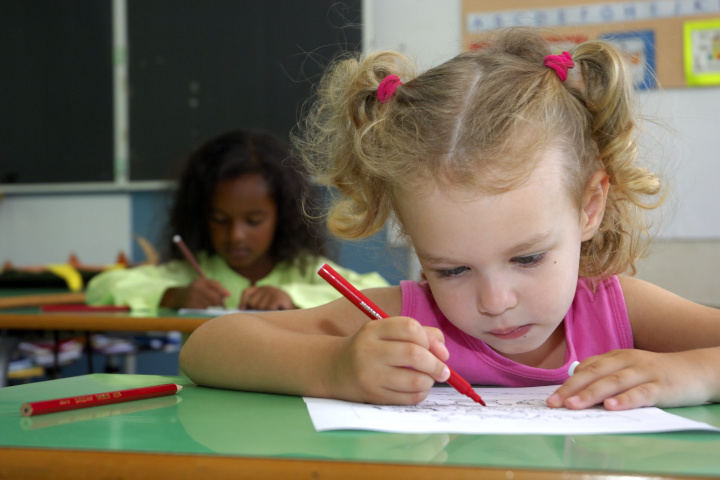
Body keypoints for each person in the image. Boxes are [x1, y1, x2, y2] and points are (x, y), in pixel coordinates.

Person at [179, 28, 720, 411]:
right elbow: (208, 347)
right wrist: (335, 367)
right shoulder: (411, 322)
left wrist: (690, 373)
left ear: (589, 208)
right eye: (451, 270)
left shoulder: (615, 308)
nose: (495, 301)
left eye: (527, 257)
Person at [86, 129, 389, 311]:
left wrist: (292, 297)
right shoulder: (194, 274)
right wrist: (173, 295)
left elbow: (379, 293)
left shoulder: (303, 271)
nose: (236, 236)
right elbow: (99, 289)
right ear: (201, 216)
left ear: (281, 217)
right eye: (219, 219)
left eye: (254, 220)